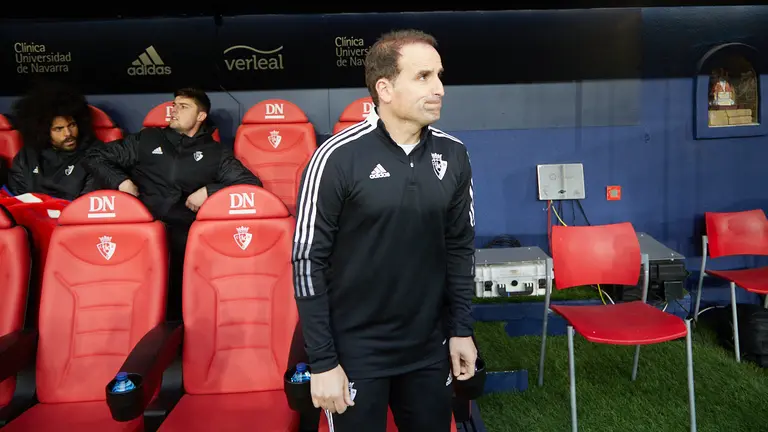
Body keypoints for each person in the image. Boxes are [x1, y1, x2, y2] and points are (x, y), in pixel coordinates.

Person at [292, 29, 477, 431]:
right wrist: (323, 361)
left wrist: (461, 330)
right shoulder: (335, 158)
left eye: (440, 76)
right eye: (424, 77)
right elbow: (308, 261)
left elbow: (460, 248)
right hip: (356, 350)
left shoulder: (454, 154)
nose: (440, 89)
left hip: (429, 346)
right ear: (385, 88)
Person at [83, 88, 263, 321]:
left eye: (183, 107)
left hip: (183, 232)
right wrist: (122, 182)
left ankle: (180, 328)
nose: (174, 110)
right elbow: (95, 157)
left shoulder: (214, 153)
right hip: (142, 228)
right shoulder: (147, 139)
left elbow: (250, 184)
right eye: (174, 105)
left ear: (201, 117)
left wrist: (209, 192)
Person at [7, 82, 101, 200]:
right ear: (43, 131)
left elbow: (86, 206)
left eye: (72, 125)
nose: (68, 134)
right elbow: (16, 200)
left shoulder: (98, 155)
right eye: (58, 129)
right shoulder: (26, 157)